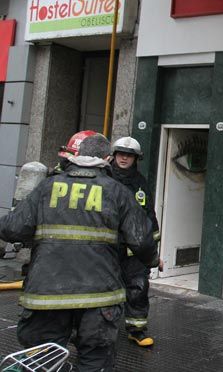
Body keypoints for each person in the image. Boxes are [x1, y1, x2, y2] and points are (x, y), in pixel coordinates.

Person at [0, 134, 159, 371]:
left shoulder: (47, 186)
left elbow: (11, 228)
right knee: (94, 360)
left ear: (77, 155)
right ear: (108, 158)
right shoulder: (117, 192)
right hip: (99, 298)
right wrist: (152, 260)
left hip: (46, 295)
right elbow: (142, 240)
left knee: (43, 362)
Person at [110, 136, 162, 347]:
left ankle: (136, 330)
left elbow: (149, 215)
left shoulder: (140, 182)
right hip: (108, 247)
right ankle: (99, 330)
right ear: (113, 155)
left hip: (134, 250)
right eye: (121, 153)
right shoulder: (103, 178)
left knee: (138, 287)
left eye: (129, 155)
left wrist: (153, 250)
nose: (124, 158)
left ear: (136, 158)